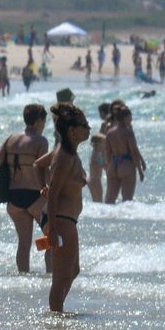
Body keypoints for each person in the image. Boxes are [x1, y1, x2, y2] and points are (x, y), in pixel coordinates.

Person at [41, 104, 90, 313]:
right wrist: (51, 229)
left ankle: (57, 310)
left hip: (68, 220)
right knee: (61, 277)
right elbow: (53, 194)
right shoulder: (64, 157)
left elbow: (38, 166)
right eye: (84, 125)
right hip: (61, 220)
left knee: (73, 271)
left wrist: (43, 185)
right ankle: (55, 317)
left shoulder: (69, 154)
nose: (88, 128)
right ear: (72, 131)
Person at [0, 104, 50, 273]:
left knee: (24, 243)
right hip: (35, 197)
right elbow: (43, 169)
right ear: (39, 121)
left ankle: (23, 279)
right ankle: (49, 277)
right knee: (51, 239)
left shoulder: (11, 138)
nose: (44, 125)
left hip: (14, 197)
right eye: (44, 121)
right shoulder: (41, 141)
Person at [102, 101, 146, 203]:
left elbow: (107, 153)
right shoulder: (128, 132)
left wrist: (109, 167)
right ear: (125, 118)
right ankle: (125, 217)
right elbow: (134, 152)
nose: (131, 119)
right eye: (130, 117)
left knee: (109, 199)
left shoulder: (110, 132)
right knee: (127, 200)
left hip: (113, 165)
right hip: (126, 166)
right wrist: (140, 170)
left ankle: (107, 218)